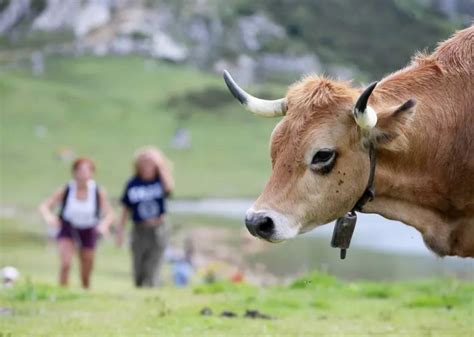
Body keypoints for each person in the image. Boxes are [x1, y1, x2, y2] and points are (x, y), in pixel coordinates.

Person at [38, 157, 114, 289]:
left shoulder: (97, 191)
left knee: (86, 265)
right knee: (66, 262)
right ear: (74, 172)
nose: (83, 174)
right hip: (69, 227)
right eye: (80, 170)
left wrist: (104, 225)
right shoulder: (67, 189)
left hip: (89, 228)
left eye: (87, 170)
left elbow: (110, 213)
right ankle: (62, 291)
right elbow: (44, 206)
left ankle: (85, 289)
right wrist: (49, 217)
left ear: (92, 173)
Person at [116, 146, 174, 287]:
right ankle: (140, 288)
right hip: (139, 228)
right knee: (138, 267)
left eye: (151, 162)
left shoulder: (160, 180)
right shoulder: (132, 183)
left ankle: (153, 288)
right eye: (144, 162)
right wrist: (120, 231)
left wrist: (160, 165)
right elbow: (125, 209)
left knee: (154, 264)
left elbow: (169, 189)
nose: (147, 165)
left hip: (158, 228)